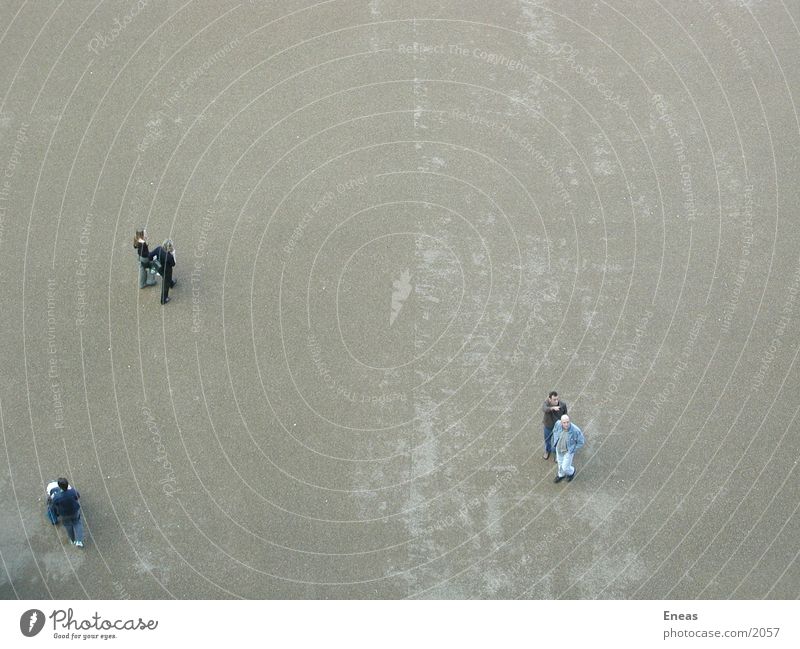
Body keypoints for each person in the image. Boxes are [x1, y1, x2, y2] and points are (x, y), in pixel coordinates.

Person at [49, 478, 84, 547]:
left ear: (59, 486)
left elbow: (53, 505)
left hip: (64, 514)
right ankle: (79, 541)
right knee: (77, 523)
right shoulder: (73, 491)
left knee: (68, 526)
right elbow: (77, 496)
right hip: (74, 511)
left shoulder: (57, 496)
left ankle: (72, 539)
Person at [552, 415, 585, 483]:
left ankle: (572, 472)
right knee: (560, 464)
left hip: (568, 452)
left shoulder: (575, 430)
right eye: (564, 422)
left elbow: (581, 442)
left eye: (567, 422)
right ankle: (561, 475)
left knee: (565, 467)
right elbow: (555, 431)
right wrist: (555, 442)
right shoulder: (558, 424)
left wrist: (572, 449)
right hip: (559, 449)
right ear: (561, 422)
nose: (566, 424)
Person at [541, 391, 568, 460]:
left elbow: (565, 414)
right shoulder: (546, 403)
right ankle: (547, 451)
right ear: (549, 399)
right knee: (547, 440)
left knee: (558, 441)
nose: (556, 401)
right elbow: (544, 409)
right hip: (548, 426)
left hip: (558, 427)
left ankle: (557, 453)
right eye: (554, 399)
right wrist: (552, 408)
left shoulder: (563, 405)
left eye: (557, 399)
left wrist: (565, 425)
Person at [150, 238, 176, 304]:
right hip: (167, 271)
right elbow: (173, 264)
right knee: (165, 284)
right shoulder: (169, 256)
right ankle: (163, 299)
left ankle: (171, 283)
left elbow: (151, 255)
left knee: (166, 279)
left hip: (158, 267)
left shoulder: (159, 249)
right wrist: (173, 254)